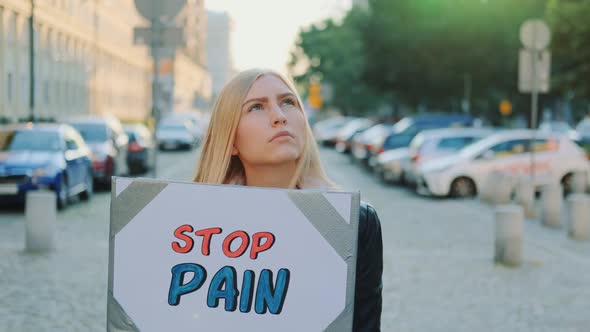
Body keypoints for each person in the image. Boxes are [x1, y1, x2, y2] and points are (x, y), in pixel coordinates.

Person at [193, 68, 383, 331]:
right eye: (256, 107)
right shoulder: (190, 226)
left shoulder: (355, 223)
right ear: (231, 140)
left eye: (288, 102)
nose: (279, 117)